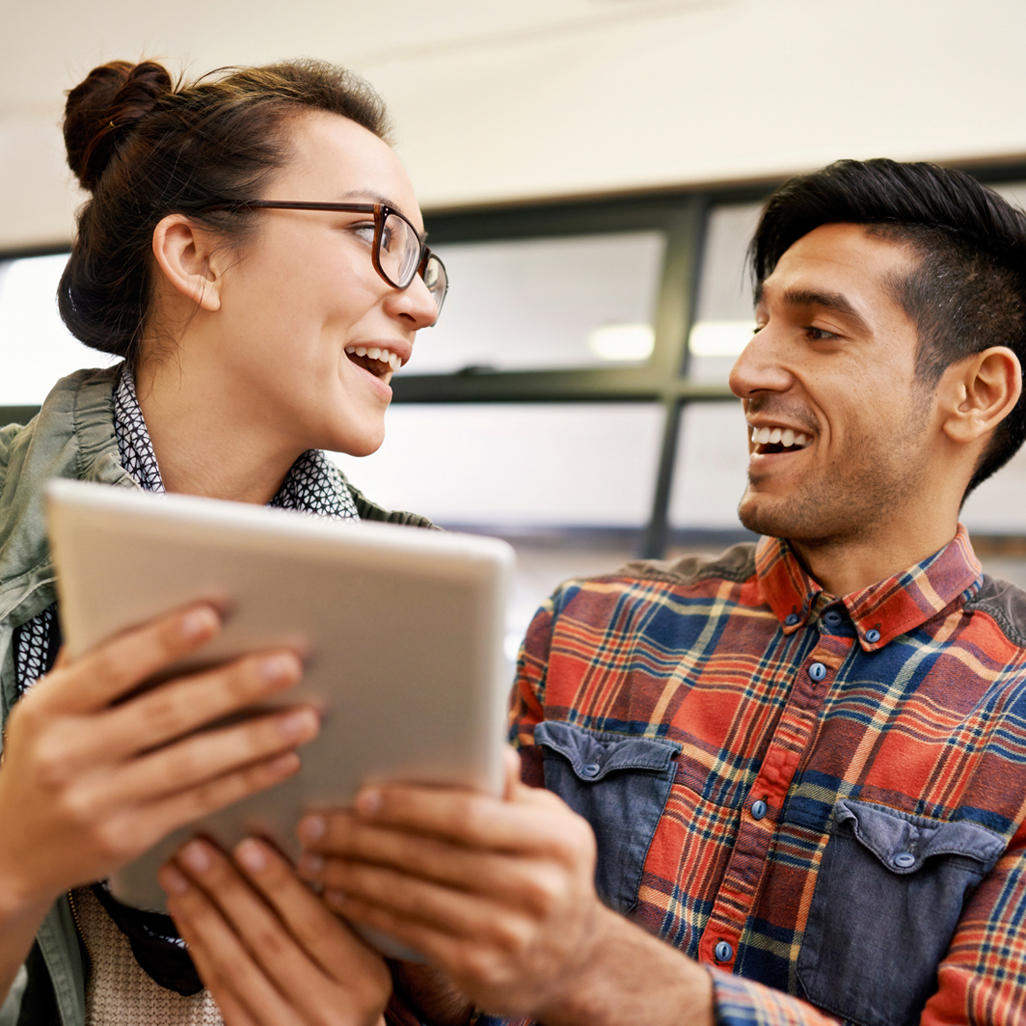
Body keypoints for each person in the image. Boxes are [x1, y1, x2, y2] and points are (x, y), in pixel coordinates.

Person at [286, 159, 1026, 1026]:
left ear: (977, 393)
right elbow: (465, 995)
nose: (748, 371)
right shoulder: (587, 627)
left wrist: (598, 970)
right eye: (759, 326)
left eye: (820, 332)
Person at [0, 57, 447, 1025]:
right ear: (197, 257)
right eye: (377, 235)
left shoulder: (408, 588)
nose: (422, 303)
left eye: (424, 261)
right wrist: (15, 867)